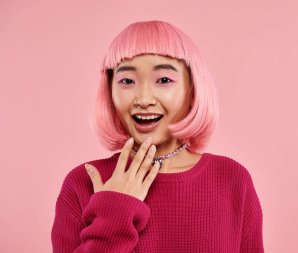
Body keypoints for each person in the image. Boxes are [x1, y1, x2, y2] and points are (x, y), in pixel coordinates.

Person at [51, 20, 264, 253]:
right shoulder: (82, 183)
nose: (143, 99)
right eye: (127, 81)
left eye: (164, 80)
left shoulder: (232, 180)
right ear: (109, 91)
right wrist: (114, 211)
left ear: (192, 90)